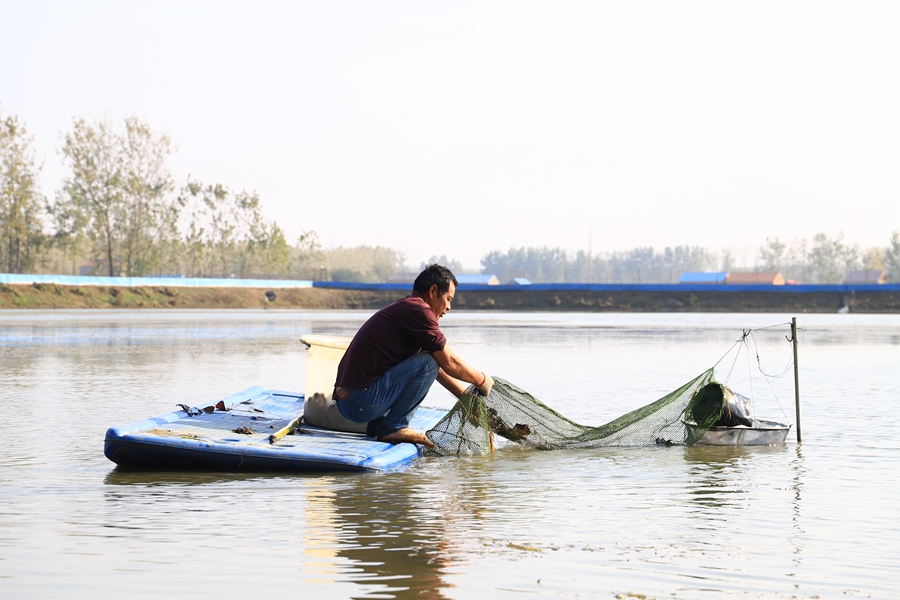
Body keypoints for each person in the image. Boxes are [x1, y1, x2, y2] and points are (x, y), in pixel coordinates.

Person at [332, 264, 493, 448]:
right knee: (429, 361)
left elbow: (438, 369)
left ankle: (379, 426)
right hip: (358, 400)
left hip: (352, 401)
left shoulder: (410, 308)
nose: (449, 307)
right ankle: (394, 426)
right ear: (433, 291)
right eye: (448, 299)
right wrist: (481, 380)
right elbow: (448, 362)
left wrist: (467, 400)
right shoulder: (420, 311)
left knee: (429, 360)